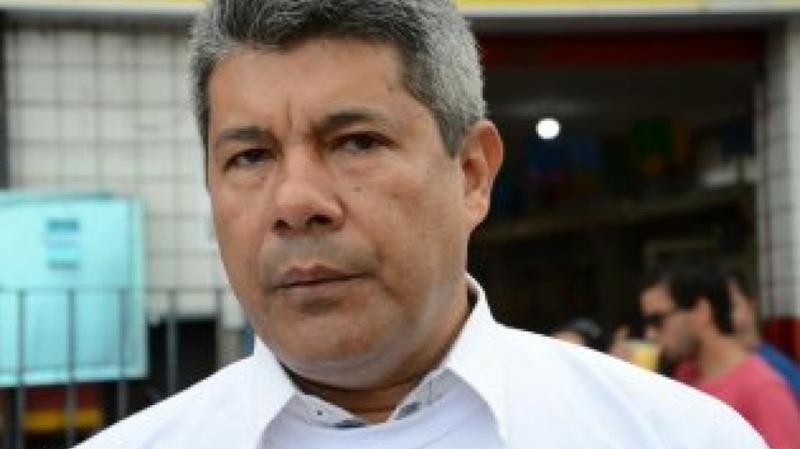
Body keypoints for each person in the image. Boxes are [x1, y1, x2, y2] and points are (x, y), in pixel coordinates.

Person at [77, 1, 767, 448]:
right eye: (250, 156)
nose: (296, 201)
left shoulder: (674, 436)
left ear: (472, 173)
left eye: (356, 142)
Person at [640, 263, 800, 449]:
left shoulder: (761, 389)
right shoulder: (684, 375)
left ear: (702, 311)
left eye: (657, 320)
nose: (650, 334)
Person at [727, 269, 800, 400]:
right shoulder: (702, 370)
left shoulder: (780, 370)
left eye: (730, 306)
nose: (721, 314)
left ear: (751, 305)